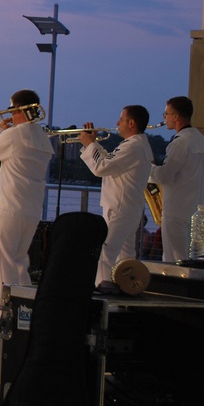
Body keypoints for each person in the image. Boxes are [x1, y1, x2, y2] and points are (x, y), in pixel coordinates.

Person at [0, 89, 54, 304]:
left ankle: (5, 314)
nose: (9, 114)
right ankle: (24, 310)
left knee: (1, 265)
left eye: (11, 109)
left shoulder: (13, 134)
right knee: (19, 263)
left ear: (20, 109)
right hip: (31, 210)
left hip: (8, 206)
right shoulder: (43, 138)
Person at [78, 105, 154, 285]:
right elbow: (110, 163)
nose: (117, 123)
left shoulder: (133, 146)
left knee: (106, 253)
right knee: (125, 258)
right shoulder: (135, 145)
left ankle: (103, 291)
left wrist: (90, 144)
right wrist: (93, 143)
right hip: (127, 208)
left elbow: (101, 167)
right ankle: (125, 291)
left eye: (121, 119)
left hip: (120, 209)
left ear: (132, 123)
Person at [148, 96, 204, 262]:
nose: (164, 118)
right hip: (197, 211)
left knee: (173, 259)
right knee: (195, 260)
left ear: (176, 116)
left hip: (175, 212)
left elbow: (164, 176)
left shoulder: (180, 143)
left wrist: (147, 167)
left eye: (166, 114)